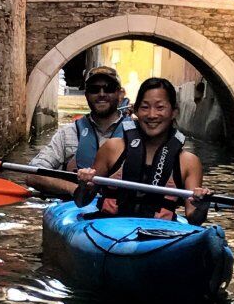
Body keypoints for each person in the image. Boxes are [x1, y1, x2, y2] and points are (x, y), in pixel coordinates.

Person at [75, 77, 212, 224]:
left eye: (160, 108)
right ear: (136, 111)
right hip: (108, 226)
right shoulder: (112, 148)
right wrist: (84, 186)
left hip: (159, 232)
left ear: (174, 112)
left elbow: (194, 219)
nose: (152, 115)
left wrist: (202, 206)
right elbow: (81, 202)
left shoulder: (189, 162)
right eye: (145, 107)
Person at [30, 65, 134, 198]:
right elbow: (33, 174)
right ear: (86, 95)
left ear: (120, 94)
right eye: (94, 89)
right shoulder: (68, 133)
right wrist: (74, 189)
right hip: (75, 205)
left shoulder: (137, 134)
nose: (101, 94)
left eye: (109, 88)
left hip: (120, 206)